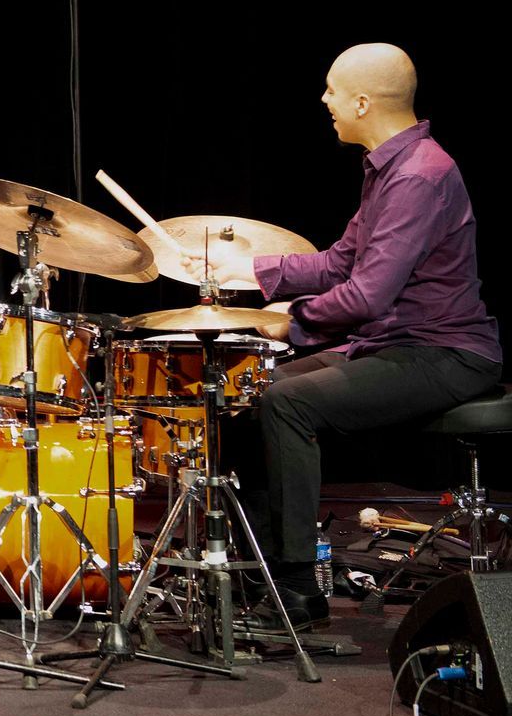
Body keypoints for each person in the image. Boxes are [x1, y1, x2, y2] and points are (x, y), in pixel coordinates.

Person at [190, 44, 500, 626]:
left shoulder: (418, 175)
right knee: (248, 396)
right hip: (393, 346)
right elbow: (341, 261)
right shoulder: (388, 166)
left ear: (362, 102)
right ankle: (257, 573)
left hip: (447, 353)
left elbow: (368, 296)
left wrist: (290, 321)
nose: (324, 99)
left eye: (331, 90)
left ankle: (298, 590)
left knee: (287, 403)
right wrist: (249, 271)